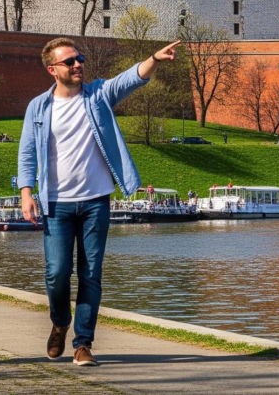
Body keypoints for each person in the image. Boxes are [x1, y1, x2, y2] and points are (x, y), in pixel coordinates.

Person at [18, 36, 179, 367]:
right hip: (57, 205)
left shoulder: (97, 96)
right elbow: (27, 152)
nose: (78, 65)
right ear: (52, 70)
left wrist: (153, 59)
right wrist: (26, 193)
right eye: (70, 61)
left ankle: (83, 343)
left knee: (91, 273)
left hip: (95, 202)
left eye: (80, 58)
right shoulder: (39, 107)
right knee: (57, 273)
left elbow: (129, 80)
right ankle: (60, 321)